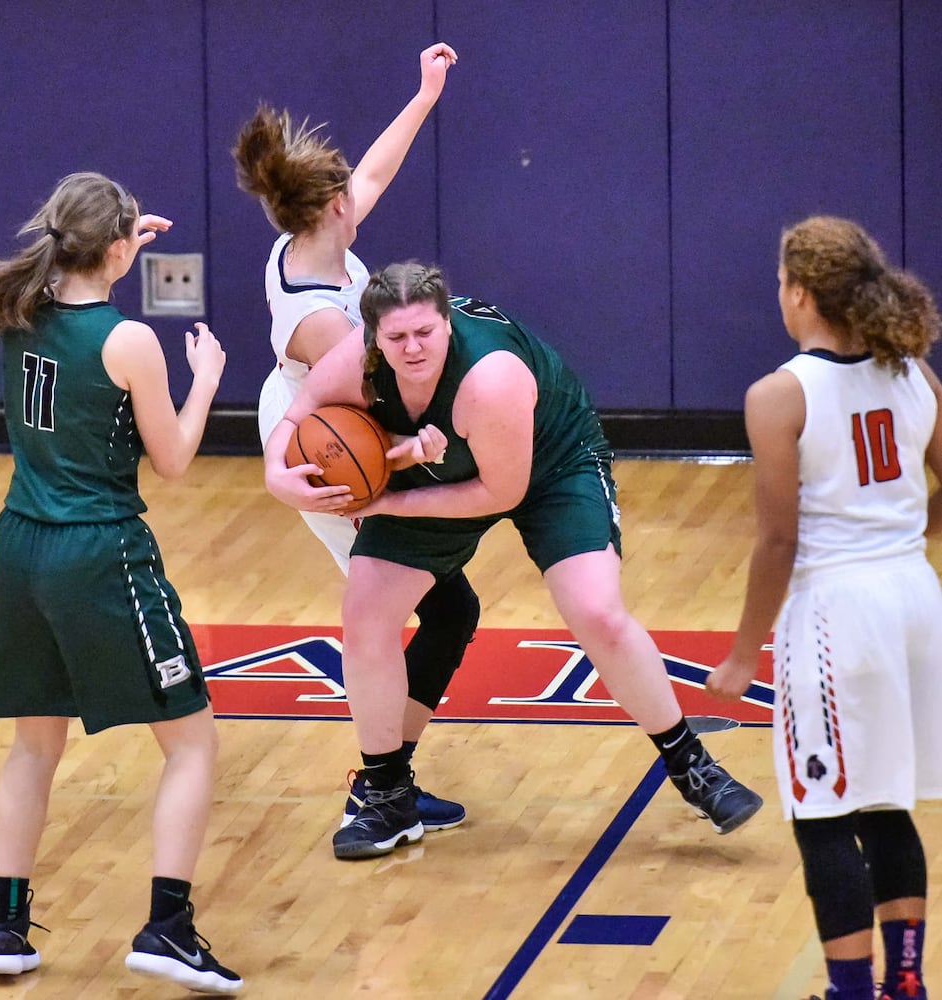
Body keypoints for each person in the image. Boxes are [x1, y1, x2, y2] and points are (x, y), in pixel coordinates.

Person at [264, 260, 766, 859]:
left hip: (552, 459)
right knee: (366, 613)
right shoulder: (355, 362)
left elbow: (500, 492)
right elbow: (293, 420)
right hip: (445, 462)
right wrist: (278, 477)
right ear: (372, 338)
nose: (413, 348)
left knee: (596, 612)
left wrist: (391, 497)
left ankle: (691, 764)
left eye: (426, 332)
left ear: (447, 322)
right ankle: (386, 794)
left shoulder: (489, 377)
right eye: (396, 338)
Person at [0, 172, 242, 994]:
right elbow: (174, 460)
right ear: (113, 249)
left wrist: (110, 249)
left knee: (34, 744)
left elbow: (69, 279)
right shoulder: (131, 342)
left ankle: (5, 924)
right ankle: (168, 928)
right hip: (100, 550)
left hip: (22, 545)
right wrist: (208, 376)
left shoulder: (19, 309)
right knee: (191, 741)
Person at [232, 43, 481, 846]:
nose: (358, 196)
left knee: (450, 606)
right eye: (348, 193)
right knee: (433, 608)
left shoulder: (302, 244)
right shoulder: (322, 321)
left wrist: (423, 94)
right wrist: (413, 454)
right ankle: (379, 791)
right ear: (330, 206)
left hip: (328, 418)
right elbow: (368, 420)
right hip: (325, 451)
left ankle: (388, 784)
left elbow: (371, 174)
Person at [707, 216, 941, 1000]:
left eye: (780, 283)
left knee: (821, 814)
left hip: (837, 615)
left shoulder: (778, 394)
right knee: (885, 801)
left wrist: (743, 653)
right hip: (913, 598)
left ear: (799, 293)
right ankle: (902, 984)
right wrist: (907, 525)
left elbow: (778, 540)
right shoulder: (914, 374)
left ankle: (849, 993)